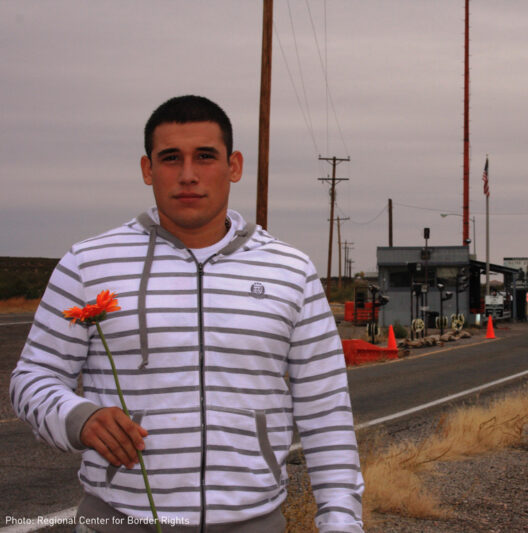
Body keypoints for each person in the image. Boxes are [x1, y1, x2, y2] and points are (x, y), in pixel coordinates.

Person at [10, 95, 364, 532]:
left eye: (205, 157)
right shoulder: (89, 264)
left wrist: (341, 521)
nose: (188, 174)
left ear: (234, 166)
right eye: (171, 158)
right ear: (148, 169)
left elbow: (325, 409)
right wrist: (79, 418)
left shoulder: (290, 270)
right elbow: (33, 377)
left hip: (253, 522)